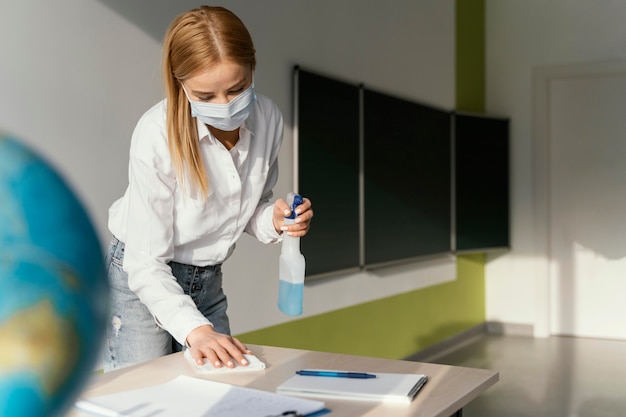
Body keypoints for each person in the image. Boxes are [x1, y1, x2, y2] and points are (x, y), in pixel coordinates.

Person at [104, 5, 313, 372]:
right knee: (144, 396)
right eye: (205, 96)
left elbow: (248, 208)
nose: (226, 105)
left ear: (252, 67)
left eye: (237, 88)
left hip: (207, 278)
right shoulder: (156, 134)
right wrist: (196, 330)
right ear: (179, 83)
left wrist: (276, 220)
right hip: (142, 277)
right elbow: (146, 263)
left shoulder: (268, 119)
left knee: (223, 389)